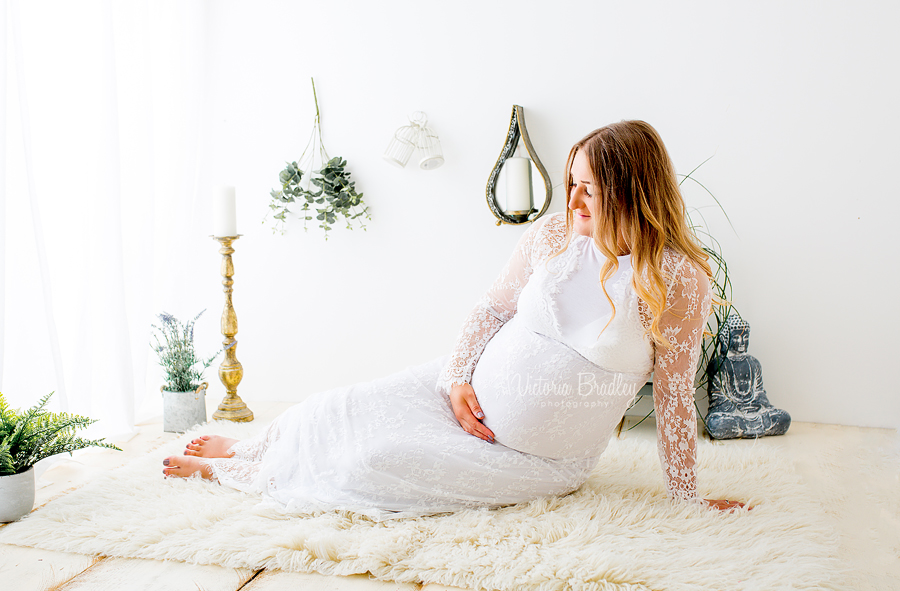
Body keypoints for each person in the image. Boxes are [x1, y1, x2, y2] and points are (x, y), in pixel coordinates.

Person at [163, 120, 746, 517]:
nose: (572, 201)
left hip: (529, 455)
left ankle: (239, 477)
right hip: (460, 392)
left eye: (589, 189)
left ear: (632, 189)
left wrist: (688, 498)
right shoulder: (553, 236)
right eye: (571, 184)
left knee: (375, 461)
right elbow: (493, 308)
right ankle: (251, 453)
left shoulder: (675, 278)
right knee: (336, 408)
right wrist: (460, 378)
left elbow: (672, 391)